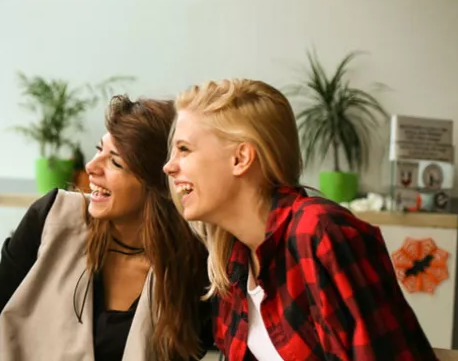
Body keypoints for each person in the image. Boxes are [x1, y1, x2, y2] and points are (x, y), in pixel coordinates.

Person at [163, 78, 436, 360]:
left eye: (184, 149)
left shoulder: (321, 232)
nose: (169, 166)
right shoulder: (234, 260)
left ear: (240, 158)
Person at [0, 96, 212, 361]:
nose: (91, 167)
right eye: (98, 150)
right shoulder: (52, 219)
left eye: (115, 162)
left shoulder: (191, 264)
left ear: (158, 183)